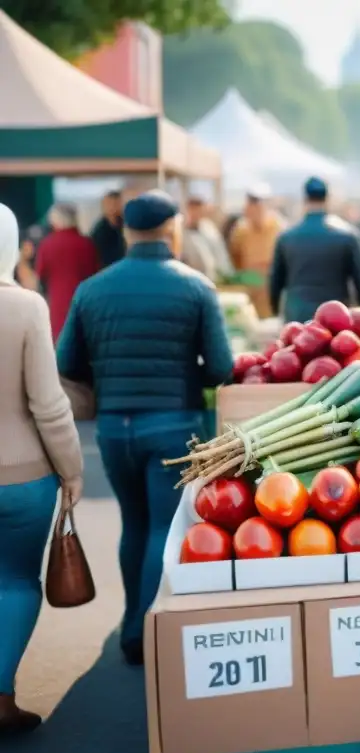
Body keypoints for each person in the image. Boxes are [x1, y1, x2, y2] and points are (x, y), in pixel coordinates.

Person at [57, 190, 233, 666]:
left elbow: (66, 362)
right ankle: (148, 624)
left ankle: (132, 619)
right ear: (173, 228)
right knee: (163, 524)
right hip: (174, 422)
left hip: (115, 427)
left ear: (124, 230)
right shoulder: (196, 287)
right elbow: (221, 367)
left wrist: (110, 376)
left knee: (132, 522)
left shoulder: (92, 288)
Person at [0, 202, 84, 735]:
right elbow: (48, 405)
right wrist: (72, 471)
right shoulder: (26, 307)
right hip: (22, 477)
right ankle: (2, 695)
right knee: (14, 582)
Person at [269, 177, 360, 323]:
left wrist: (274, 309)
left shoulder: (287, 237)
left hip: (297, 313)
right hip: (336, 315)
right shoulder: (347, 236)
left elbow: (276, 280)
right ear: (327, 199)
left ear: (305, 199)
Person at [34, 204, 100, 342]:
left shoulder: (47, 244)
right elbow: (96, 274)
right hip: (86, 305)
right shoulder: (87, 244)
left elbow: (39, 275)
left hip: (57, 308)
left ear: (55, 221)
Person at [229, 184, 286, 317]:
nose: (255, 209)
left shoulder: (277, 227)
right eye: (251, 204)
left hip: (270, 288)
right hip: (249, 288)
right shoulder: (241, 230)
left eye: (258, 205)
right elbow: (235, 257)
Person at [181, 196, 234, 281]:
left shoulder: (210, 229)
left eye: (198, 210)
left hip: (213, 279)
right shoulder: (182, 233)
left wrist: (227, 276)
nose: (196, 214)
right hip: (192, 280)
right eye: (193, 210)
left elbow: (221, 255)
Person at [90, 190, 126, 268]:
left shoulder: (126, 226)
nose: (112, 207)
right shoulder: (99, 229)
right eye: (109, 204)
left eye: (116, 204)